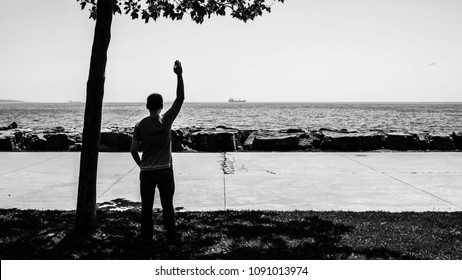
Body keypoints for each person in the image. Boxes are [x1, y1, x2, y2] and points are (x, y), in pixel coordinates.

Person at [130, 60, 184, 243]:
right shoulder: (166, 120)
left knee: (146, 207)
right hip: (165, 171)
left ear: (147, 106)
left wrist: (142, 165)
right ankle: (171, 237)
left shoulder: (140, 125)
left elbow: (133, 150)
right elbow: (180, 99)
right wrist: (179, 75)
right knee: (167, 205)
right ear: (161, 106)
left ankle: (146, 239)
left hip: (147, 173)